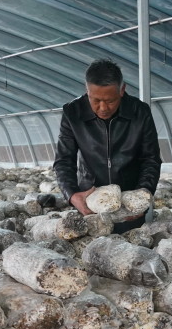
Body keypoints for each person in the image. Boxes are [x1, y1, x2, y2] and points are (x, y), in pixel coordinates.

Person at [53, 58, 162, 234]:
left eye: (110, 101)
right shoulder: (73, 113)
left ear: (122, 90)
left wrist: (142, 194)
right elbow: (64, 160)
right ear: (87, 90)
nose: (103, 107)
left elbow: (151, 158)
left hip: (129, 201)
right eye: (95, 100)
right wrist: (72, 195)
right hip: (90, 200)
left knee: (133, 252)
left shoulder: (139, 112)